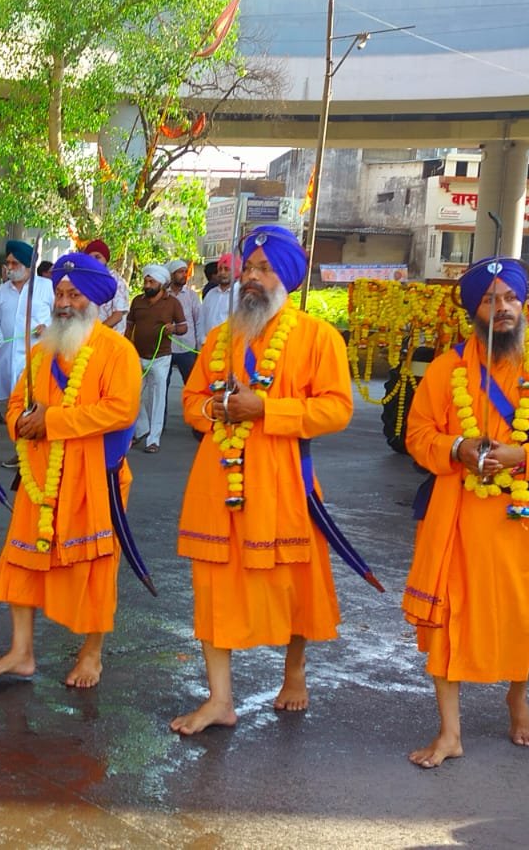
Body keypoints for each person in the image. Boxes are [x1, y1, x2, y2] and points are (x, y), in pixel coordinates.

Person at [401, 256, 529, 768]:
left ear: (523, 305)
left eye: (510, 298)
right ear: (475, 312)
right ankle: (449, 732)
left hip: (527, 521)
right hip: (458, 519)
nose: (503, 307)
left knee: (522, 617)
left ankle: (517, 697)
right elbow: (417, 436)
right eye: (490, 301)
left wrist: (523, 457)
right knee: (448, 618)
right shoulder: (445, 370)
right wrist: (457, 447)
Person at [170, 226, 354, 735]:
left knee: (293, 585)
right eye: (248, 268)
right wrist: (217, 408)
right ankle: (219, 699)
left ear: (287, 278)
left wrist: (266, 409)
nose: (251, 277)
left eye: (264, 269)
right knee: (213, 587)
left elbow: (337, 410)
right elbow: (191, 402)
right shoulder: (218, 338)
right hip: (218, 482)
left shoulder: (318, 338)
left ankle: (294, 673)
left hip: (284, 482)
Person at [0, 252, 142, 687]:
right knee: (22, 561)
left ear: (96, 300)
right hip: (40, 477)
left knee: (94, 571)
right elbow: (16, 404)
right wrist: (21, 423)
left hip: (95, 479)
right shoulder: (41, 351)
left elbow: (121, 411)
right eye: (60, 294)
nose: (64, 303)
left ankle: (91, 655)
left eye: (75, 295)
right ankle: (21, 651)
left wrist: (52, 421)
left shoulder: (118, 351)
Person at [0, 240, 54, 460]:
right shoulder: (3, 289)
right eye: (7, 263)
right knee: (15, 407)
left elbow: (61, 317)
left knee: (34, 407)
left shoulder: (46, 287)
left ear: (28, 265)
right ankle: (21, 453)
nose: (9, 267)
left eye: (14, 263)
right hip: (8, 359)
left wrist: (48, 328)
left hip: (36, 359)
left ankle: (32, 456)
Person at [124, 263, 188, 454]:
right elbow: (130, 325)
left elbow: (183, 327)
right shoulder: (137, 301)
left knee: (158, 399)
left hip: (161, 357)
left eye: (151, 282)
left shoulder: (173, 303)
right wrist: (126, 347)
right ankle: (142, 429)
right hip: (137, 355)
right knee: (132, 394)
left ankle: (154, 439)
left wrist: (173, 328)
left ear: (161, 283)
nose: (147, 285)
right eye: (146, 281)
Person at [164, 259, 204, 381]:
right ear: (172, 275)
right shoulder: (163, 295)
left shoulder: (191, 295)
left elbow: (199, 321)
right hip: (166, 348)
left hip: (187, 348)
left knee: (191, 383)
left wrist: (199, 345)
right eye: (180, 272)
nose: (184, 275)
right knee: (162, 384)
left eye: (185, 272)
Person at [82, 239, 129, 333]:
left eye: (97, 257)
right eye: (90, 258)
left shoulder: (116, 281)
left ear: (106, 259)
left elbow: (117, 315)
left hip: (109, 337)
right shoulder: (84, 280)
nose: (93, 261)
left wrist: (97, 332)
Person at [200, 256, 236, 334]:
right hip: (208, 340)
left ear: (235, 271)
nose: (222, 273)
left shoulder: (241, 295)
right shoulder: (210, 294)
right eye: (220, 269)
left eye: (226, 269)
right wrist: (202, 338)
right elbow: (201, 319)